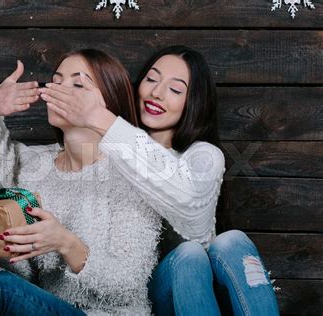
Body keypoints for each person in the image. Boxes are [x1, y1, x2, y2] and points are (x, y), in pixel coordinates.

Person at [0, 49, 163, 316]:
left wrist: (66, 243)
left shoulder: (135, 178)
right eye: (57, 81)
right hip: (42, 306)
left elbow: (128, 284)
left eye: (78, 84)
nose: (58, 91)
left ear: (110, 105)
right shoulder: (37, 166)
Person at [40, 45, 280, 315]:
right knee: (187, 257)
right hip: (145, 294)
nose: (156, 93)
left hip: (204, 287)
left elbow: (188, 205)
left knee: (229, 242)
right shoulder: (104, 153)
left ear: (194, 102)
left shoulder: (203, 155)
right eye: (151, 80)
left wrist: (101, 118)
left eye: (175, 90)